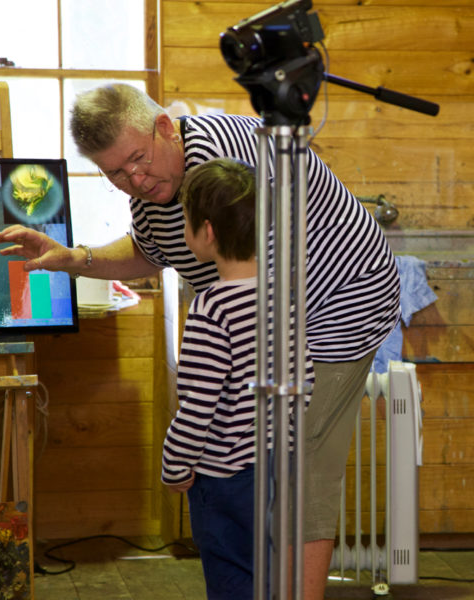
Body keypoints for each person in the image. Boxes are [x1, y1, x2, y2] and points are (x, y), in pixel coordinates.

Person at [0, 83, 400, 599]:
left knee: (304, 468)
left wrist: (180, 459)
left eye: (139, 159)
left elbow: (202, 398)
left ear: (165, 127)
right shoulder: (160, 195)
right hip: (274, 320)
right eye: (115, 172)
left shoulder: (229, 164)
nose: (135, 180)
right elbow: (150, 249)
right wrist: (75, 259)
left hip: (340, 306)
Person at [161, 157, 313, 599]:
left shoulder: (211, 308)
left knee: (232, 581)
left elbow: (197, 406)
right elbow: (302, 386)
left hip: (224, 480)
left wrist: (175, 467)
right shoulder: (284, 299)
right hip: (278, 471)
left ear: (205, 232)